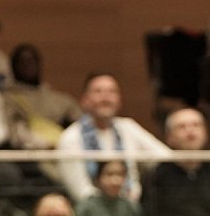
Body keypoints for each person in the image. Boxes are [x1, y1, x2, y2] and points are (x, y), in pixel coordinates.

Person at [56, 72, 170, 204]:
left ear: (119, 100)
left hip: (131, 205)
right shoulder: (70, 137)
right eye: (98, 91)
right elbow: (80, 191)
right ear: (85, 100)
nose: (106, 98)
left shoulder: (128, 127)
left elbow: (166, 158)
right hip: (92, 209)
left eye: (112, 92)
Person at [3, 43, 82, 154]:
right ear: (14, 67)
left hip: (65, 149)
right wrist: (46, 145)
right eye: (22, 62)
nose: (28, 66)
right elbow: (15, 133)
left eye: (32, 61)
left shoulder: (59, 99)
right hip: (32, 154)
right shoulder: (8, 99)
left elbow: (81, 123)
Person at [75, 159, 145, 216]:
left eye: (119, 174)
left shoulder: (131, 207)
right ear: (99, 177)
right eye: (109, 174)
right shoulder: (86, 207)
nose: (115, 181)